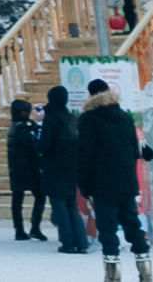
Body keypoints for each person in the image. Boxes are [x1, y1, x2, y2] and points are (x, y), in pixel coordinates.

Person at [76, 79, 153, 281]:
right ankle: (145, 271)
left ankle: (113, 275)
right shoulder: (125, 117)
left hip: (102, 184)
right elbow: (134, 150)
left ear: (91, 95)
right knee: (133, 225)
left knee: (107, 228)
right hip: (127, 182)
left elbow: (85, 155)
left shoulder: (89, 119)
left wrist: (84, 186)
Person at [40, 85, 87, 253]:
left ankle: (68, 242)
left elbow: (44, 145)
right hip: (72, 166)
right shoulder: (72, 118)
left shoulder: (51, 119)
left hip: (54, 166)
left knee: (59, 205)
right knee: (71, 204)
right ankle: (81, 242)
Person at [5, 97, 47, 240]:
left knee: (17, 199)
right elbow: (34, 146)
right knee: (40, 196)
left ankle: (19, 229)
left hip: (16, 169)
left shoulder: (14, 127)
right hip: (29, 168)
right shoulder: (24, 128)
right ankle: (35, 227)